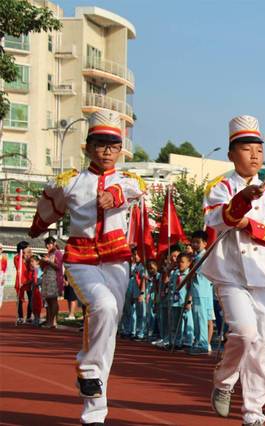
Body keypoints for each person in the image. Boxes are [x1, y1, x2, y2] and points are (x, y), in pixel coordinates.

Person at [28, 110, 144, 425]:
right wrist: (37, 226)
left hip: (117, 260)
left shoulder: (127, 180)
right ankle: (88, 368)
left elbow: (135, 191)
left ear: (121, 150)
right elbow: (50, 205)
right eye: (100, 144)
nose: (107, 151)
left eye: (113, 145)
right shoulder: (71, 182)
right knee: (103, 307)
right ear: (87, 147)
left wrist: (114, 195)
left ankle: (94, 413)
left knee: (109, 330)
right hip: (81, 260)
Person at [202, 115, 265, 426]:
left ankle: (254, 413)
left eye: (258, 149)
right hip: (230, 273)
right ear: (231, 154)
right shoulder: (219, 187)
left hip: (262, 275)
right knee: (244, 332)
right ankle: (224, 380)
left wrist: (251, 225)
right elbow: (217, 219)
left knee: (259, 348)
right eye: (245, 148)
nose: (254, 155)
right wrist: (240, 202)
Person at [189, 230, 214, 355]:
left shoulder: (203, 257)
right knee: (201, 318)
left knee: (200, 319)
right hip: (201, 292)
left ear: (205, 243)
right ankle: (200, 342)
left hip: (201, 292)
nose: (194, 244)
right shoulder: (197, 256)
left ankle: (202, 344)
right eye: (193, 242)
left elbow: (193, 274)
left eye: (197, 242)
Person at [169, 252, 194, 349]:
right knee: (175, 323)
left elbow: (190, 289)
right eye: (179, 262)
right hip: (175, 301)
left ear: (188, 263)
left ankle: (188, 342)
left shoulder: (190, 274)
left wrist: (189, 301)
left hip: (185, 301)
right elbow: (171, 285)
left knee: (187, 322)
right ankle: (176, 342)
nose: (180, 264)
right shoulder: (175, 273)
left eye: (183, 262)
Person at [41, 236, 64, 328]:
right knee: (48, 300)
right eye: (46, 244)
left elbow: (58, 266)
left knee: (53, 300)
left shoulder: (57, 253)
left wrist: (48, 262)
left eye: (50, 243)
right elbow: (43, 267)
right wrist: (43, 262)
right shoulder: (48, 254)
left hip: (54, 279)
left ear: (54, 243)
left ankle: (52, 321)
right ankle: (50, 321)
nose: (48, 246)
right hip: (47, 277)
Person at [14, 241, 35, 325]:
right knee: (20, 299)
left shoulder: (30, 257)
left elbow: (33, 266)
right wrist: (24, 256)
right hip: (20, 281)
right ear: (22, 249)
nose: (28, 249)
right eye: (27, 247)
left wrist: (29, 257)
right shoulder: (17, 257)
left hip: (29, 280)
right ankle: (20, 317)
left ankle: (29, 316)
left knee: (31, 299)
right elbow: (18, 266)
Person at [0, 244, 7, 309]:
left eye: (0, 249)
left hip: (1, 274)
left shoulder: (4, 257)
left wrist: (3, 278)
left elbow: (5, 269)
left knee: (0, 291)